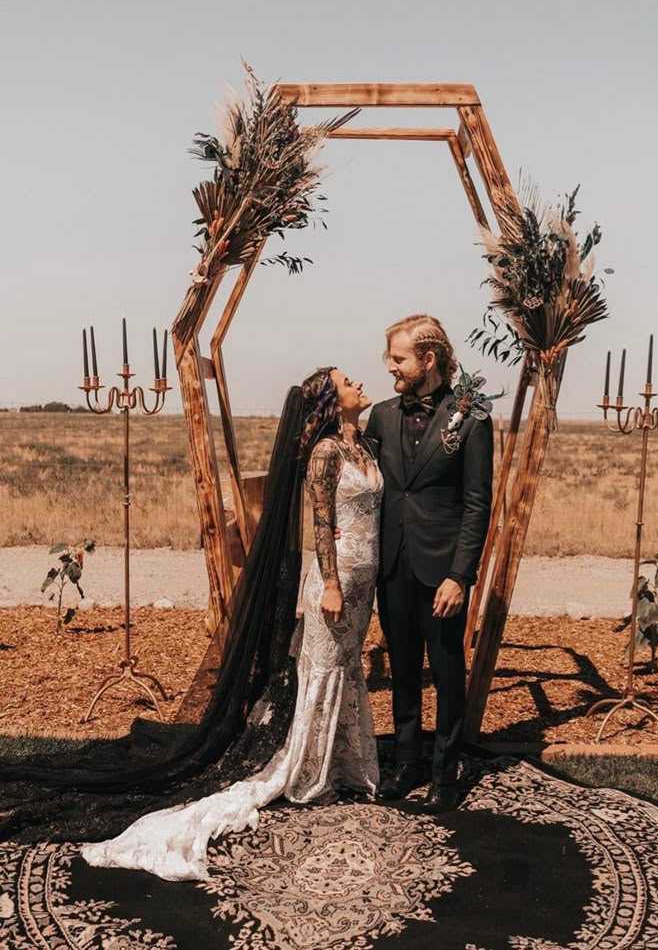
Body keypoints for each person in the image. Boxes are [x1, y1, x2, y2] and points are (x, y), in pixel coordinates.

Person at [0, 366, 383, 883]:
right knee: (325, 671)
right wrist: (333, 583)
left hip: (365, 583)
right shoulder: (325, 453)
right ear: (330, 402)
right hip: (335, 583)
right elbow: (320, 524)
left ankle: (344, 762)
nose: (358, 381)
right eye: (346, 381)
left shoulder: (362, 445)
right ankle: (307, 771)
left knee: (347, 668)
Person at [364, 315, 493, 813]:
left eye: (398, 358)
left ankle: (445, 772)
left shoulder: (473, 416)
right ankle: (407, 762)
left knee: (445, 670)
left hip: (442, 572)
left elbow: (478, 502)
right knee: (401, 669)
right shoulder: (381, 415)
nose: (390, 367)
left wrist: (460, 576)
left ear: (428, 360)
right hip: (392, 564)